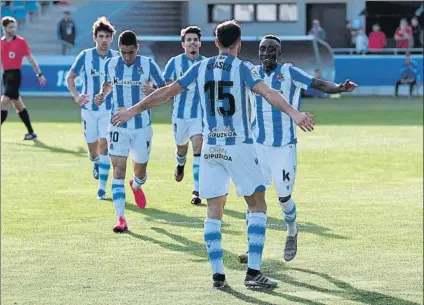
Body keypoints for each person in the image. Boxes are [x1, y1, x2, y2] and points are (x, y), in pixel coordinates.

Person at [111, 20, 316, 289]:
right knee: (257, 205)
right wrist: (295, 113)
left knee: (213, 210)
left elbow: (165, 93)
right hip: (239, 145)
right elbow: (269, 93)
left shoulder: (200, 67)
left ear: (216, 43)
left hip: (210, 149)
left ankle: (218, 275)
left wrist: (131, 110)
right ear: (239, 44)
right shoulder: (243, 68)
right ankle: (253, 274)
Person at [237, 35, 357, 264]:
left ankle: (292, 231)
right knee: (253, 195)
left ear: (279, 53)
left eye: (272, 49)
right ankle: (251, 245)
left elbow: (319, 84)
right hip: (258, 146)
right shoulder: (251, 73)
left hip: (284, 147)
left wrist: (340, 87)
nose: (266, 53)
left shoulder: (290, 72)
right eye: (263, 49)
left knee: (284, 198)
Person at [94, 30, 165, 233]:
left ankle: (136, 184)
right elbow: (108, 84)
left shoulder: (148, 64)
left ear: (137, 48)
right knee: (118, 170)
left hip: (142, 127)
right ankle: (121, 218)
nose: (126, 57)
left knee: (140, 172)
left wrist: (153, 92)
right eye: (123, 52)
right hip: (117, 125)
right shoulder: (111, 64)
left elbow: (165, 89)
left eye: (131, 53)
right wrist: (101, 95)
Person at [66, 17, 119, 200]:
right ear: (95, 38)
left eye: (107, 36)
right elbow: (70, 78)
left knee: (105, 147)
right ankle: (95, 161)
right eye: (101, 36)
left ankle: (102, 188)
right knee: (93, 149)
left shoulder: (117, 58)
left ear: (112, 39)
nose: (104, 40)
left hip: (109, 111)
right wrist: (77, 96)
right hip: (88, 110)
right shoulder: (85, 56)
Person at [163, 26, 206, 206]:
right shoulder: (174, 62)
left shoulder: (206, 63)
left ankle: (197, 190)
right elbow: (166, 84)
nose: (192, 43)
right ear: (183, 44)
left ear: (200, 43)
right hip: (179, 116)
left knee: (198, 148)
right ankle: (180, 165)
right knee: (182, 149)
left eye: (195, 39)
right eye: (188, 40)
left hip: (199, 115)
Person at [1, 16, 46, 140]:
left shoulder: (21, 42)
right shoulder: (1, 42)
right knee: (18, 104)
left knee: (3, 102)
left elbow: (30, 59)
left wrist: (39, 74)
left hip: (15, 76)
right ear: (4, 28)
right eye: (10, 27)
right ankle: (31, 133)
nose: (13, 29)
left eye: (14, 26)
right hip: (6, 76)